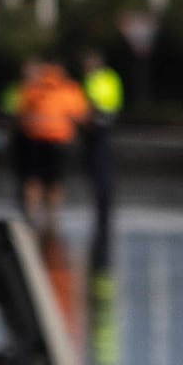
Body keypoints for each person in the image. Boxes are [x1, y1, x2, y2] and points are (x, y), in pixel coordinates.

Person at [7, 54, 89, 234]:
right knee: (55, 182)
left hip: (34, 139)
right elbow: (80, 116)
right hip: (59, 141)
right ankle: (52, 220)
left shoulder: (32, 86)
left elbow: (17, 112)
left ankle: (30, 217)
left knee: (32, 180)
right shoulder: (69, 88)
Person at [76, 38, 129, 273]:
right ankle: (101, 209)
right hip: (94, 131)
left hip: (100, 130)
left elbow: (99, 105)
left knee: (101, 172)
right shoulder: (98, 79)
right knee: (97, 172)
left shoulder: (101, 79)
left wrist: (90, 115)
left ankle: (103, 210)